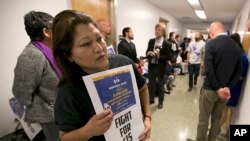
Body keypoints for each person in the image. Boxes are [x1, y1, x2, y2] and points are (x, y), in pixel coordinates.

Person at [52, 10, 151, 141]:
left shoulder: (123, 63)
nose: (99, 48)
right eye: (86, 44)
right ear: (68, 55)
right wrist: (88, 130)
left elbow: (142, 88)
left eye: (99, 39)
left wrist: (148, 118)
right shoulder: (68, 92)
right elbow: (64, 137)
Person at [187, 22, 242, 141]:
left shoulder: (211, 43)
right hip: (225, 93)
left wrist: (218, 88)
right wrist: (227, 87)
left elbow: (209, 69)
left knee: (203, 119)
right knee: (216, 120)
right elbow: (238, 72)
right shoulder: (236, 46)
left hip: (209, 90)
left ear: (212, 32)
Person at [12, 11, 61, 141]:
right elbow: (22, 94)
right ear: (47, 32)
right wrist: (45, 104)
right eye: (56, 28)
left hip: (62, 110)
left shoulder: (50, 50)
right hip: (51, 116)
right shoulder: (32, 55)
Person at [220, 33, 249, 135]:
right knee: (226, 110)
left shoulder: (242, 58)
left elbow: (242, 76)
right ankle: (224, 130)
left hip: (234, 88)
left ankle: (218, 130)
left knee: (226, 110)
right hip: (228, 86)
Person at [146, 23, 172, 109]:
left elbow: (169, 56)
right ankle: (151, 99)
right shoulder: (151, 41)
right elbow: (148, 51)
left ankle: (160, 102)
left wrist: (159, 57)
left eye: (159, 30)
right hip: (152, 66)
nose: (156, 31)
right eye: (156, 29)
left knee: (161, 86)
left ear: (163, 32)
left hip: (161, 67)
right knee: (151, 84)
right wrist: (148, 53)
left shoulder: (167, 43)